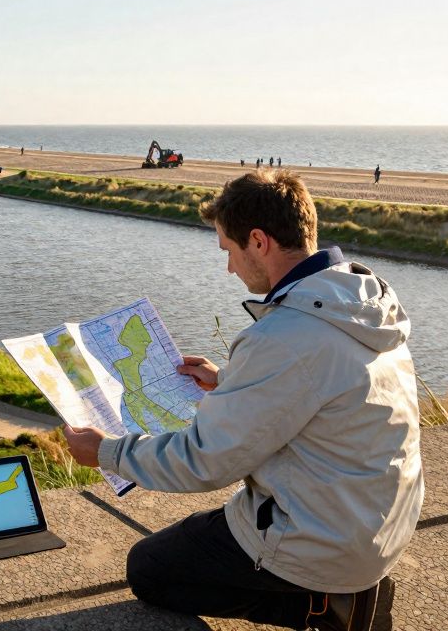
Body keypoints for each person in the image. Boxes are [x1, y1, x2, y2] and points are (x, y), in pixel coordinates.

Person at [64, 170, 422, 631]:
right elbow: (320, 380)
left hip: (321, 542)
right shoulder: (360, 303)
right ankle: (342, 589)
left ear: (258, 241)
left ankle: (324, 607)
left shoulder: (282, 336)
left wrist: (106, 452)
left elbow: (204, 462)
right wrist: (231, 379)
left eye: (228, 251)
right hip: (378, 524)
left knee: (149, 568)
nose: (229, 268)